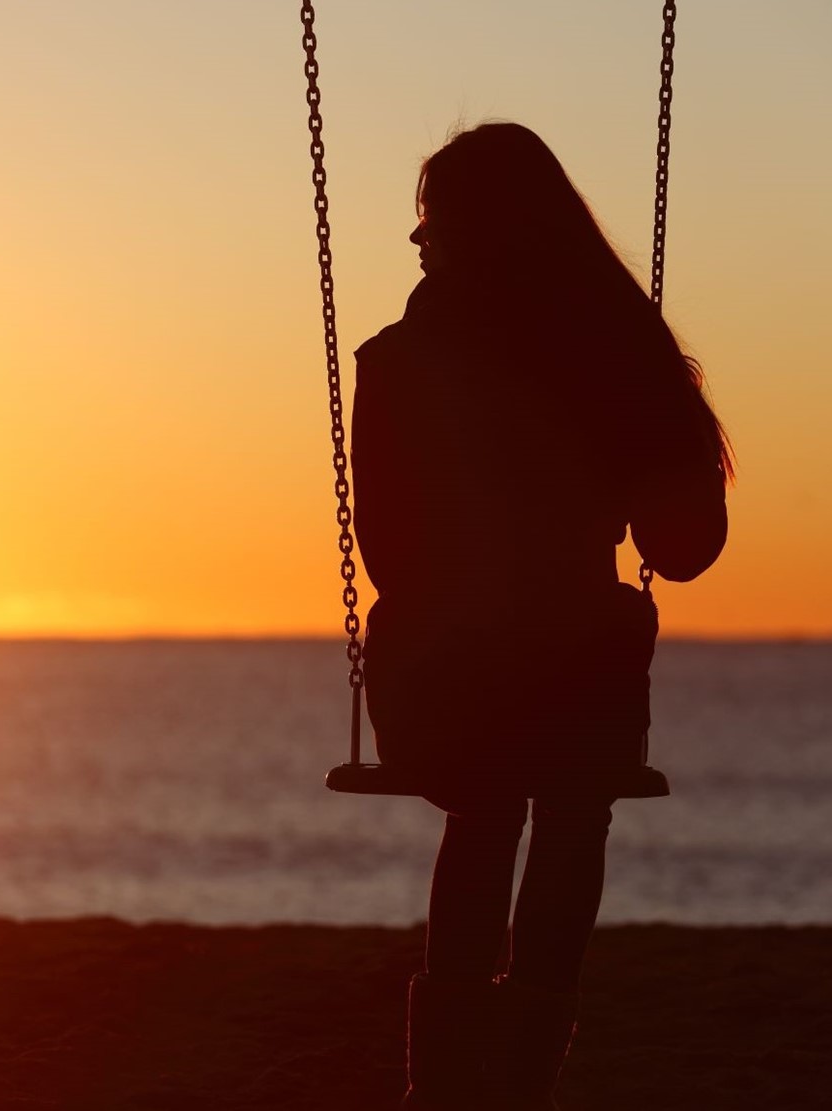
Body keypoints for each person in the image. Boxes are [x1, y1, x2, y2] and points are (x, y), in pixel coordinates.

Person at [350, 123, 732, 1110]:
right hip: (569, 668)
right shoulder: (612, 352)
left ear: (474, 231)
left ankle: (440, 1090)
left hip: (439, 672)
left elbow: (385, 549)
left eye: (429, 219)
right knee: (570, 806)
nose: (416, 240)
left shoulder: (396, 363)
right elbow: (683, 548)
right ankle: (519, 1084)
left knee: (484, 809)